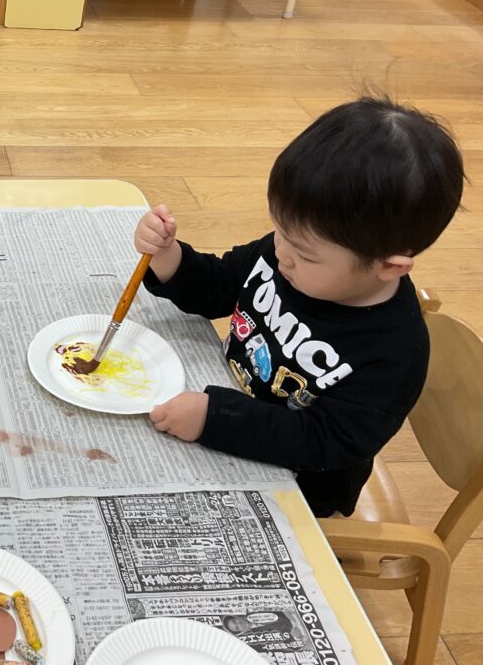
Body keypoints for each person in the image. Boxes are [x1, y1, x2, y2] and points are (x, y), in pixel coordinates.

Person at [134, 96, 465, 516]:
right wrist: (168, 258)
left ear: (388, 266)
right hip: (220, 414)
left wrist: (216, 418)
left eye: (306, 253)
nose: (281, 254)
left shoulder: (394, 352)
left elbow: (323, 442)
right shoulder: (290, 251)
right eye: (279, 229)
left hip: (296, 487)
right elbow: (218, 285)